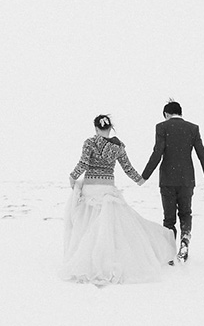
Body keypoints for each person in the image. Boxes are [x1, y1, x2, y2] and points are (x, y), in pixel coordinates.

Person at [60, 114, 176, 286]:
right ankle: (108, 258)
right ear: (110, 128)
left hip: (90, 188)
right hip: (107, 189)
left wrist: (72, 177)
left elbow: (83, 164)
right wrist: (140, 179)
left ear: (96, 128)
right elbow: (127, 168)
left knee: (88, 226)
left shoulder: (89, 143)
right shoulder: (118, 146)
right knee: (109, 229)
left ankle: (88, 260)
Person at [139, 101, 204, 264]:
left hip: (167, 179)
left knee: (169, 218)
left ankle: (169, 252)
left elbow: (157, 153)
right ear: (180, 112)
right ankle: (185, 238)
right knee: (186, 213)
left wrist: (144, 176)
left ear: (166, 114)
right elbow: (202, 153)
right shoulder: (192, 128)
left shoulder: (162, 127)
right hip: (187, 179)